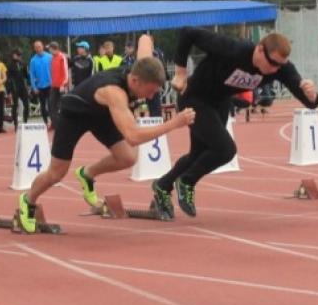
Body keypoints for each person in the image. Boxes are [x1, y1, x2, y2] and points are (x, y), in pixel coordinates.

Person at [17, 35, 196, 233]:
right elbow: (134, 136)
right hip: (74, 114)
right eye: (151, 91)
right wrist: (174, 123)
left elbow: (144, 39)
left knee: (128, 157)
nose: (152, 96)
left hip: (101, 115)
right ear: (136, 80)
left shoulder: (143, 66)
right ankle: (28, 200)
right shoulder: (115, 93)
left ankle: (87, 174)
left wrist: (150, 42)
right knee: (57, 173)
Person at [152, 28, 318, 219]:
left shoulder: (280, 68)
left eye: (280, 65)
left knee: (199, 155)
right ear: (259, 50)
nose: (275, 69)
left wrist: (312, 96)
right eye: (273, 63)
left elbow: (308, 101)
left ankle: (163, 185)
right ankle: (187, 181)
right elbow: (187, 34)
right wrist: (181, 73)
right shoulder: (234, 49)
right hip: (194, 98)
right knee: (226, 150)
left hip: (220, 103)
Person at [28, 40, 52, 125]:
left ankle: (53, 122)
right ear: (34, 49)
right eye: (36, 47)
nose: (38, 48)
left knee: (51, 104)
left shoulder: (50, 57)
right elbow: (32, 75)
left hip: (50, 85)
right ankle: (45, 122)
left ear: (43, 46)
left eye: (39, 46)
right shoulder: (33, 60)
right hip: (40, 87)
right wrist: (34, 87)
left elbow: (54, 71)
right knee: (42, 106)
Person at [6, 49, 30, 128]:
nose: (19, 57)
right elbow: (8, 78)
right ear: (14, 55)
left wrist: (26, 69)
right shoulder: (9, 65)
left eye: (20, 55)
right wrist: (8, 91)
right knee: (15, 105)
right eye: (17, 55)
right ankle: (15, 123)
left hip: (22, 87)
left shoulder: (23, 63)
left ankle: (25, 121)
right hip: (14, 87)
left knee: (26, 104)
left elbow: (26, 76)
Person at [48, 41, 69, 129]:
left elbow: (66, 72)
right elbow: (52, 72)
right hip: (54, 85)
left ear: (54, 49)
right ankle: (55, 124)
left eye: (50, 49)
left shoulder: (62, 57)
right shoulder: (52, 58)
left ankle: (64, 124)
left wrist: (63, 84)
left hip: (61, 86)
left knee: (63, 105)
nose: (49, 51)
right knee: (52, 104)